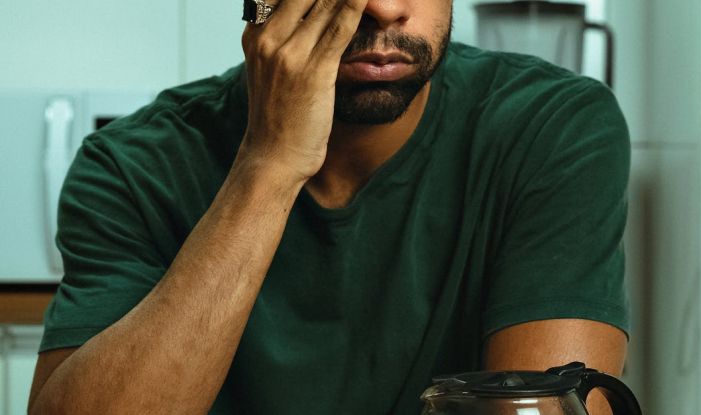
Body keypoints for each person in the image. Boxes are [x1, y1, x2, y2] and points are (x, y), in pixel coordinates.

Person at [28, 0, 631, 413]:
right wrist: (268, 166)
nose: (387, 7)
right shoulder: (132, 163)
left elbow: (550, 405)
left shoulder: (550, 126)